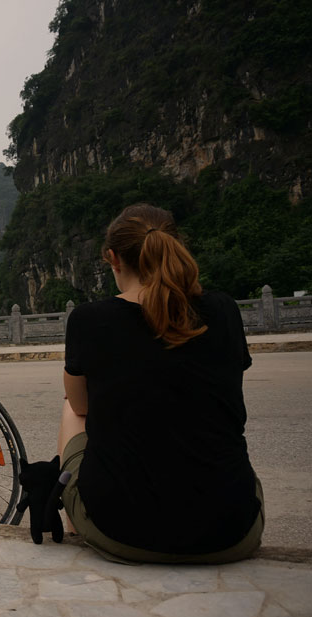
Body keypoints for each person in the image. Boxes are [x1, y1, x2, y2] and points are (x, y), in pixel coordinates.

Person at [58, 203, 264, 564]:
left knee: (71, 410)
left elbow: (80, 406)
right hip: (232, 531)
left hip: (118, 532)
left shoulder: (90, 320)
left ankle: (76, 524)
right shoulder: (224, 309)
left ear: (112, 258)